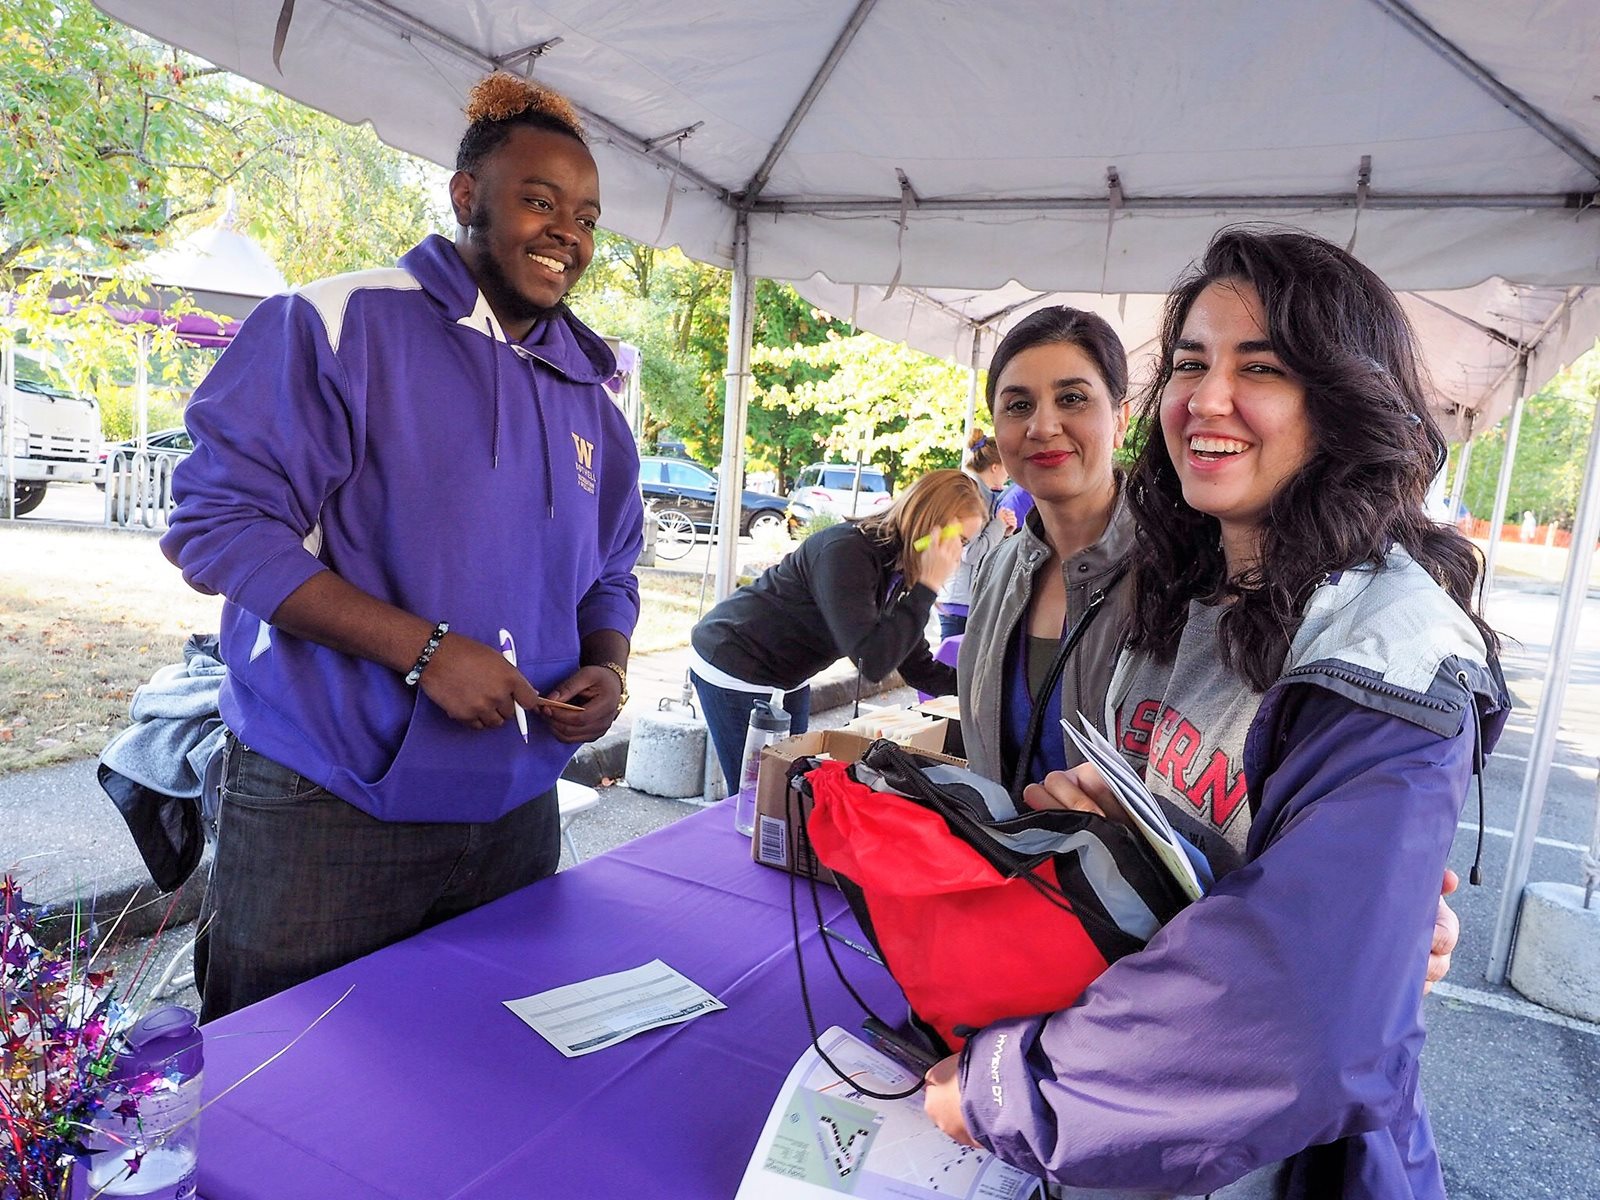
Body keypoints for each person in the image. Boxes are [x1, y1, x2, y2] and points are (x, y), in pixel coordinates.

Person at [926, 228, 1508, 1198]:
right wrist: (1113, 829)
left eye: (1261, 368)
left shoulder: (1389, 649)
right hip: (1126, 1135)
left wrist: (1008, 1091)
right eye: (1190, 363)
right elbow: (1205, 862)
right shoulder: (1178, 598)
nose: (1206, 397)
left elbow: (1305, 1013)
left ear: (1341, 398)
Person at [160, 73, 643, 1021]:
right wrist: (424, 653)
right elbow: (217, 526)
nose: (568, 235)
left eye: (585, 217)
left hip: (515, 812)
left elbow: (612, 569)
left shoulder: (593, 394)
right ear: (468, 197)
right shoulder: (338, 323)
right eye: (539, 202)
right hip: (327, 806)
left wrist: (608, 666)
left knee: (469, 1081)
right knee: (277, 1094)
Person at [690, 468, 987, 788]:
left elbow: (916, 667)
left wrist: (981, 691)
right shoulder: (848, 551)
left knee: (790, 786)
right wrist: (927, 586)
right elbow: (871, 661)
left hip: (788, 675)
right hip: (735, 659)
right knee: (761, 793)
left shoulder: (899, 567)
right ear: (932, 527)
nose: (960, 554)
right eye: (960, 540)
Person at [958, 308, 1133, 795]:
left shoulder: (1184, 573)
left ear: (1120, 419)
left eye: (1072, 398)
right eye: (1018, 406)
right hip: (1001, 866)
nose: (1043, 426)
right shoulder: (997, 569)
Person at [935, 428, 1016, 638]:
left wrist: (1003, 531)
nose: (1008, 475)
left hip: (959, 597)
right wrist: (998, 526)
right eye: (1007, 468)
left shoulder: (982, 494)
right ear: (995, 467)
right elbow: (970, 552)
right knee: (950, 666)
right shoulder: (974, 496)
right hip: (959, 598)